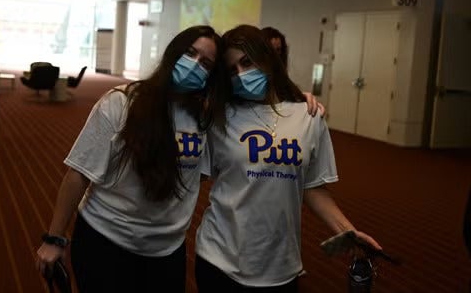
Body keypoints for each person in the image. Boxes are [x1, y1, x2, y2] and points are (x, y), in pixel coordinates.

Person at [36, 25, 228, 292]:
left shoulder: (204, 119)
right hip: (106, 242)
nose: (195, 65)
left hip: (167, 251)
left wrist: (295, 98)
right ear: (173, 53)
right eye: (190, 53)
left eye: (205, 63)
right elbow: (78, 173)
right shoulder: (121, 102)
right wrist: (54, 238)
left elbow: (201, 174)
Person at [195, 25, 381, 292]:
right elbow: (192, 176)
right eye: (232, 70)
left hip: (280, 266)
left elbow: (312, 187)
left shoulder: (308, 115)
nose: (242, 74)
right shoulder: (219, 116)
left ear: (267, 57)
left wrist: (348, 232)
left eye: (247, 62)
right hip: (219, 258)